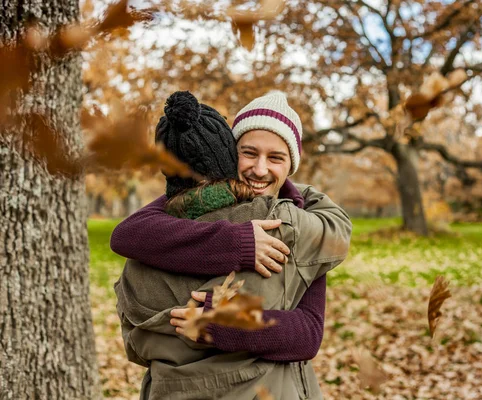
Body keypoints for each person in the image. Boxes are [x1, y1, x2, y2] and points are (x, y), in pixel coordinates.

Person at [112, 91, 352, 399]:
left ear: (290, 165)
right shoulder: (192, 204)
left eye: (276, 157)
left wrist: (228, 322)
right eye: (249, 153)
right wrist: (236, 243)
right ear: (229, 152)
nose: (260, 169)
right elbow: (128, 233)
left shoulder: (298, 222)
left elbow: (307, 334)